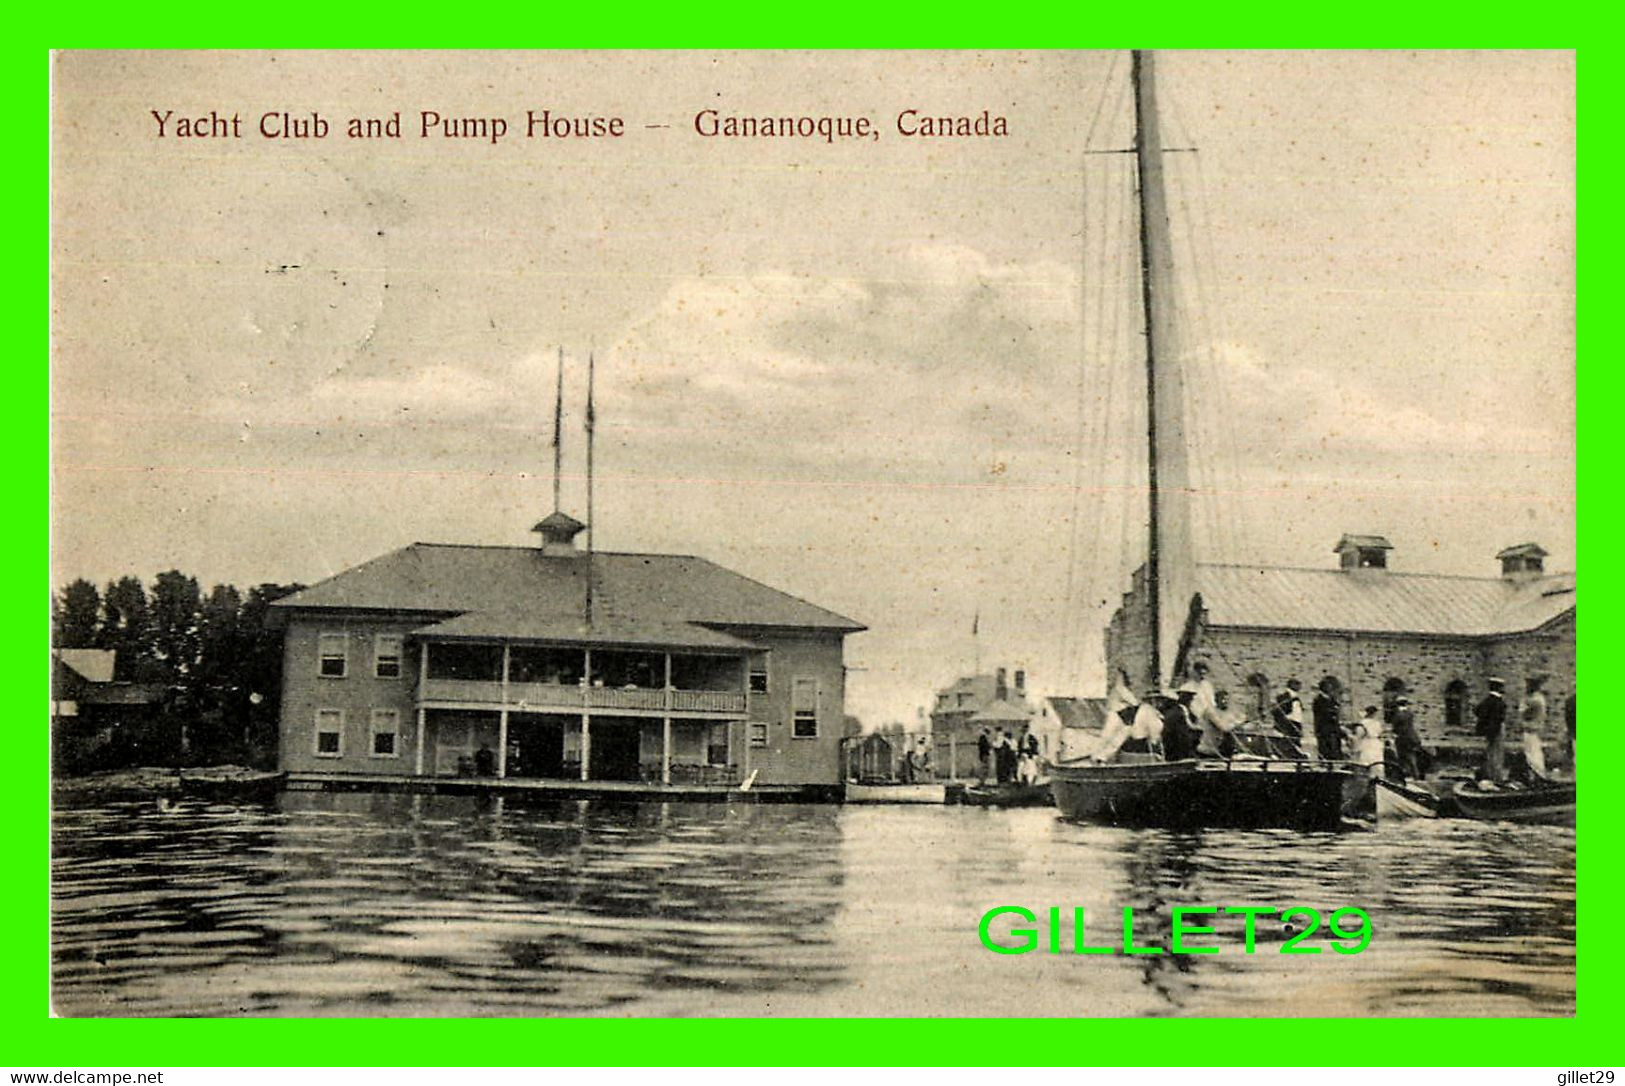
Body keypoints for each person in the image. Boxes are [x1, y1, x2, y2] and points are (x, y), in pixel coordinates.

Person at [1475, 677, 1508, 783]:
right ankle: (1495, 777)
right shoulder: (1499, 702)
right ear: (1499, 688)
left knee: (1490, 753)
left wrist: (1484, 724)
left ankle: (1489, 774)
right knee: (1497, 754)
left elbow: (1477, 710)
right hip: (1497, 730)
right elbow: (1499, 718)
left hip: (1489, 730)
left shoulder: (1487, 700)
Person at [1518, 677, 1549, 779]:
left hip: (1531, 729)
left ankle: (1537, 775)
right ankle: (1537, 774)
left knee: (1532, 754)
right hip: (1534, 729)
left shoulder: (1535, 700)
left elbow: (1523, 712)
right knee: (1534, 753)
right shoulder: (1539, 698)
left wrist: (1523, 703)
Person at [1391, 695, 1428, 781]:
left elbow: (1395, 727)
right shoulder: (1410, 713)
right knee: (1412, 757)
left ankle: (1407, 776)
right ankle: (1415, 775)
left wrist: (1395, 733)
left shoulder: (1398, 714)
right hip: (1413, 737)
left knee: (1403, 757)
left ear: (1397, 704)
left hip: (1403, 738)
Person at [1197, 688, 1242, 758]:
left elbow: (1235, 723)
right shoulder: (1211, 711)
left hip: (1221, 750)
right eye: (1223, 699)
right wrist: (1238, 723)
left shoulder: (1228, 713)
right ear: (1216, 700)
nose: (1225, 702)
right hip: (1208, 750)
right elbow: (1224, 727)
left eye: (1227, 700)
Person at [1162, 686, 1203, 762]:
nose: (1191, 700)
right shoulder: (1178, 713)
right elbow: (1182, 735)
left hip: (1178, 750)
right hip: (1178, 752)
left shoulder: (1182, 711)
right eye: (1189, 697)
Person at [1312, 678, 1344, 761]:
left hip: (1333, 728)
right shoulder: (1319, 700)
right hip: (1324, 728)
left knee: (1335, 747)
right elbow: (1322, 713)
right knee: (1325, 747)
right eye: (1328, 686)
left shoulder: (1333, 700)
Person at [1352, 705, 1385, 778]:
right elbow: (1380, 734)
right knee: (1375, 762)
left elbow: (1359, 735)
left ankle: (1370, 777)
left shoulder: (1363, 723)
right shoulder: (1376, 723)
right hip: (1375, 743)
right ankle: (1377, 778)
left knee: (1368, 761)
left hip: (1368, 743)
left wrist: (1355, 747)